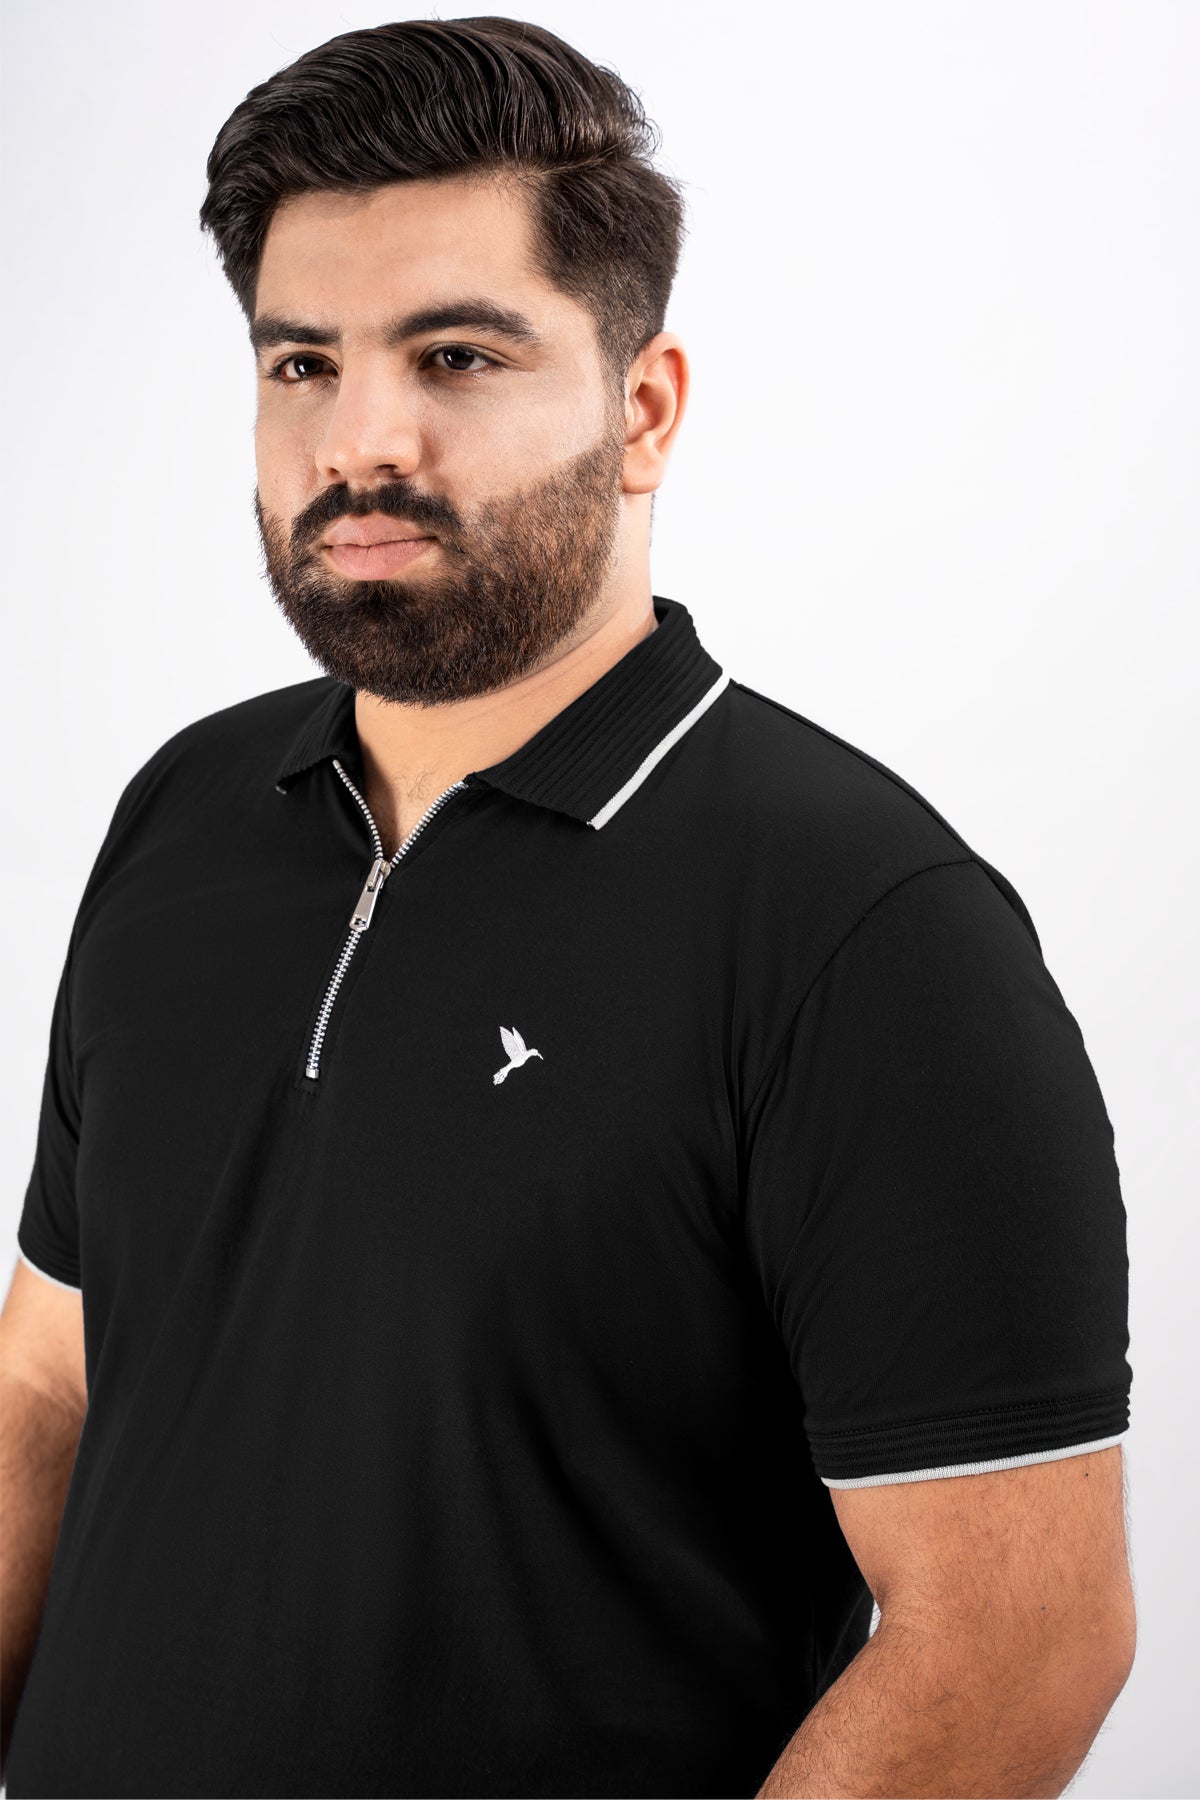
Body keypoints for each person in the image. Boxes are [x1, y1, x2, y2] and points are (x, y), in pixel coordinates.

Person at [0, 18, 1135, 1798]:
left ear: (643, 410)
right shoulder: (183, 816)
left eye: (456, 355)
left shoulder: (864, 928)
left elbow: (1020, 1641)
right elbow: (53, 1389)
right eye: (302, 362)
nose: (360, 438)